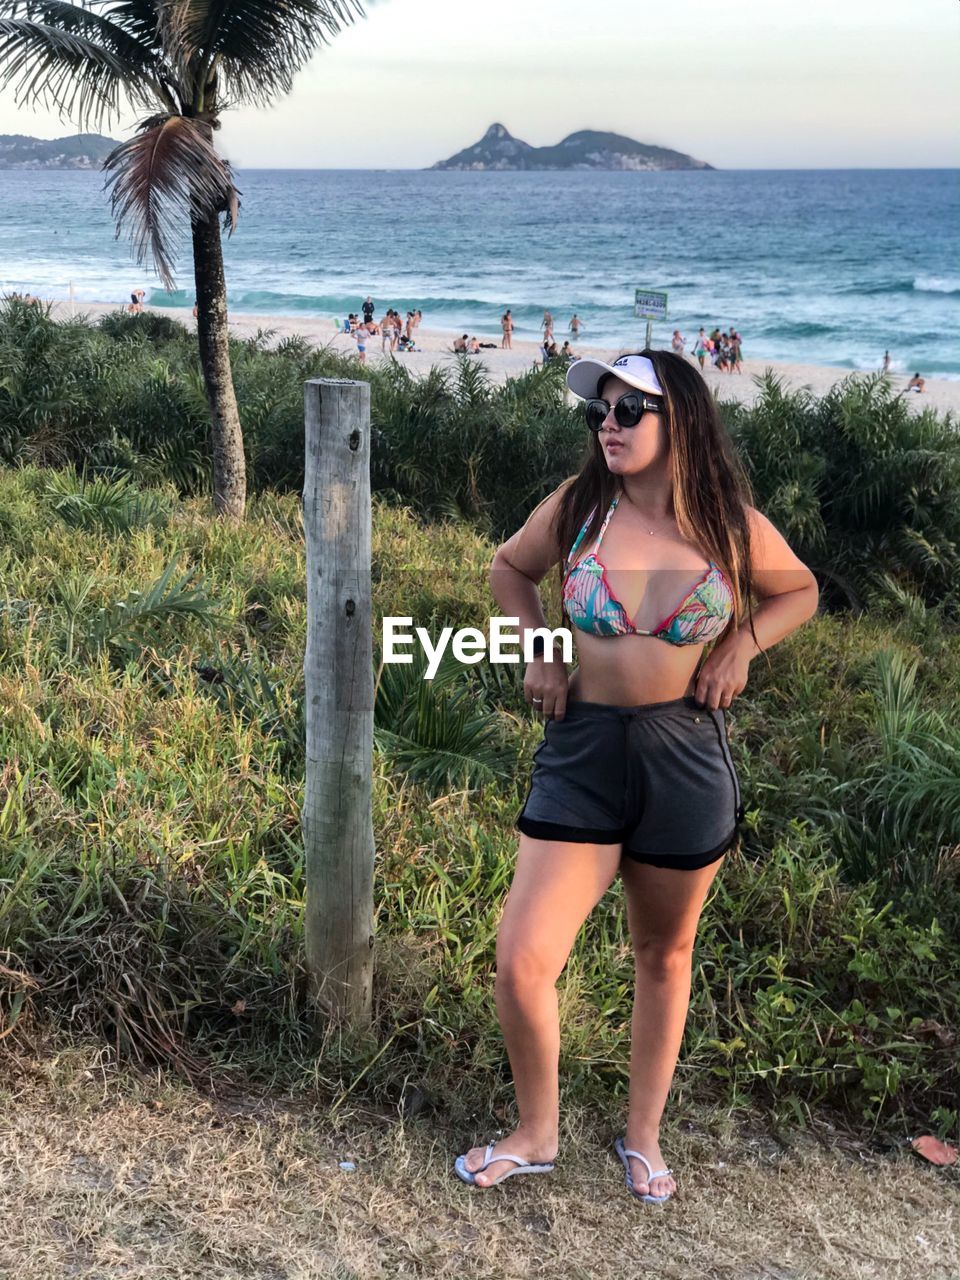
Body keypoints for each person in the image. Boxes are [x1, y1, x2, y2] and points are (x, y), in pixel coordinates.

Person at [455, 349, 819, 1200]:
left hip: (687, 758)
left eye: (628, 412)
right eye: (600, 414)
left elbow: (797, 591)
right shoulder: (582, 505)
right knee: (521, 960)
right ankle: (536, 1132)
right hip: (582, 752)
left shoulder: (731, 523)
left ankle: (643, 1139)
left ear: (679, 420)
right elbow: (508, 567)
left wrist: (740, 644)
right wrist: (542, 646)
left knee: (664, 954)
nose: (608, 427)